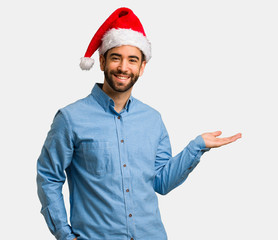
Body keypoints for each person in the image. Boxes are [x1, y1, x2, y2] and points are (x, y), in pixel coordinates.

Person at [36, 7, 241, 240]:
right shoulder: (70, 118)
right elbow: (49, 177)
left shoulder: (152, 119)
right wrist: (64, 234)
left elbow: (162, 183)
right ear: (102, 61)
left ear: (142, 67)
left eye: (132, 60)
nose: (124, 67)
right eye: (116, 58)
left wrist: (197, 146)